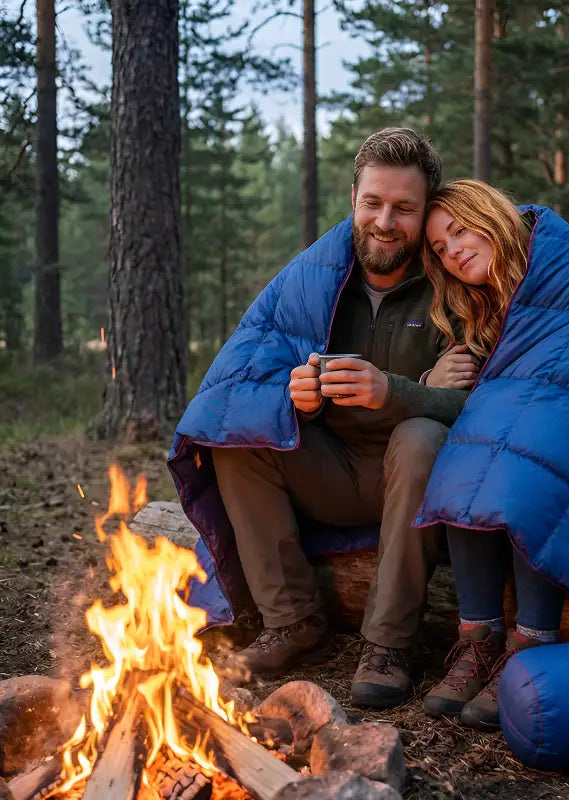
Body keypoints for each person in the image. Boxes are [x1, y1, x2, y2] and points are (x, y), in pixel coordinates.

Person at [177, 128, 479, 710]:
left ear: (427, 212)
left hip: (416, 481)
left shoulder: (454, 280)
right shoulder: (315, 278)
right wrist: (296, 400)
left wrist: (399, 393)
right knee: (240, 431)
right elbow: (249, 374)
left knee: (420, 436)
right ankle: (291, 619)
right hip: (330, 468)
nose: (385, 222)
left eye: (404, 208)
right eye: (373, 203)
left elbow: (480, 410)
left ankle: (388, 645)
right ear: (353, 199)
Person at [419, 179, 566, 731]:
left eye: (460, 231)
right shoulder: (479, 306)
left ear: (491, 217)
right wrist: (428, 380)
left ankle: (533, 642)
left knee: (526, 461)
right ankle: (478, 639)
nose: (453, 251)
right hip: (517, 442)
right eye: (440, 248)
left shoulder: (557, 266)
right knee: (464, 458)